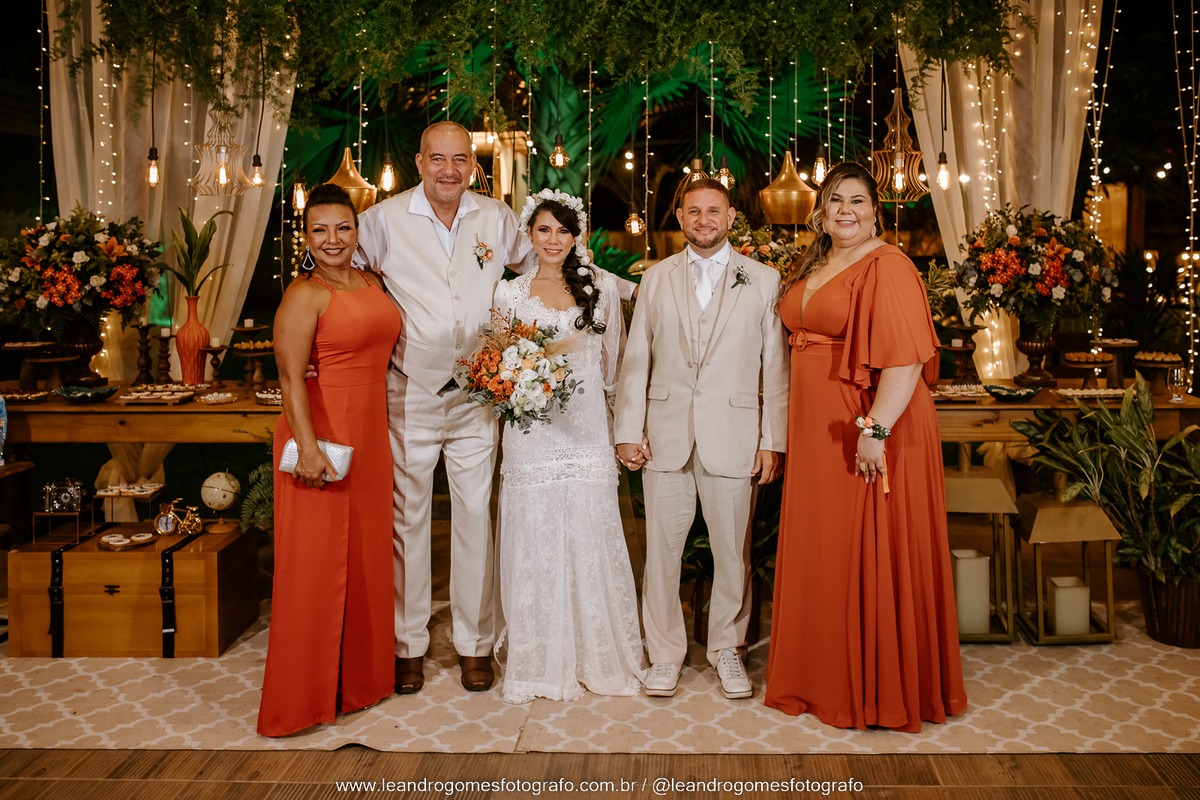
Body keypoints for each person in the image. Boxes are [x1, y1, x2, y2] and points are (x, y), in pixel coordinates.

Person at [351, 121, 637, 695]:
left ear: (472, 165)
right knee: (407, 521)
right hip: (410, 391)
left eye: (460, 158)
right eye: (438, 159)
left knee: (475, 518)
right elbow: (341, 272)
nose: (449, 169)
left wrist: (635, 290)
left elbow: (553, 260)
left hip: (480, 396)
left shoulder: (497, 216)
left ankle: (474, 645)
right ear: (419, 162)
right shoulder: (382, 220)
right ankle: (408, 646)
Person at [764, 161, 967, 731]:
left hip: (870, 421)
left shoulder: (889, 265)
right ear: (821, 211)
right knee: (827, 545)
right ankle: (820, 676)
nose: (845, 210)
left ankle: (875, 690)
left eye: (856, 200)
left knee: (865, 546)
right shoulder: (816, 261)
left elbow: (905, 360)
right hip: (817, 426)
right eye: (835, 200)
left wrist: (875, 430)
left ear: (875, 210)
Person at [614, 178, 789, 699]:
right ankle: (664, 654)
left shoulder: (764, 280)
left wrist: (772, 439)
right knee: (662, 555)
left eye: (714, 211)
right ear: (680, 217)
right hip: (665, 436)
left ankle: (727, 650)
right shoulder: (655, 278)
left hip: (734, 435)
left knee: (733, 554)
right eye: (694, 211)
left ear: (730, 217)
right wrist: (627, 430)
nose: (704, 220)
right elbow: (636, 359)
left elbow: (776, 369)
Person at [258, 183, 402, 737]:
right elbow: (290, 377)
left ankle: (359, 682)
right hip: (320, 433)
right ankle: (301, 700)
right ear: (306, 237)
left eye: (342, 227)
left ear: (357, 231)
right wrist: (309, 449)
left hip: (369, 434)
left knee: (365, 558)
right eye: (319, 230)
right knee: (314, 567)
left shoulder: (373, 282)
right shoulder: (304, 294)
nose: (332, 239)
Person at [492, 190, 646, 704]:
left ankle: (597, 656)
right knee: (534, 536)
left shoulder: (600, 288)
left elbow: (614, 369)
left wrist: (622, 429)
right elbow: (497, 363)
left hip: (586, 429)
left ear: (576, 236)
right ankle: (538, 662)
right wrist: (517, 385)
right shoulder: (508, 294)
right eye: (544, 230)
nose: (554, 240)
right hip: (531, 432)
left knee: (588, 532)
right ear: (529, 235)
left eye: (563, 231)